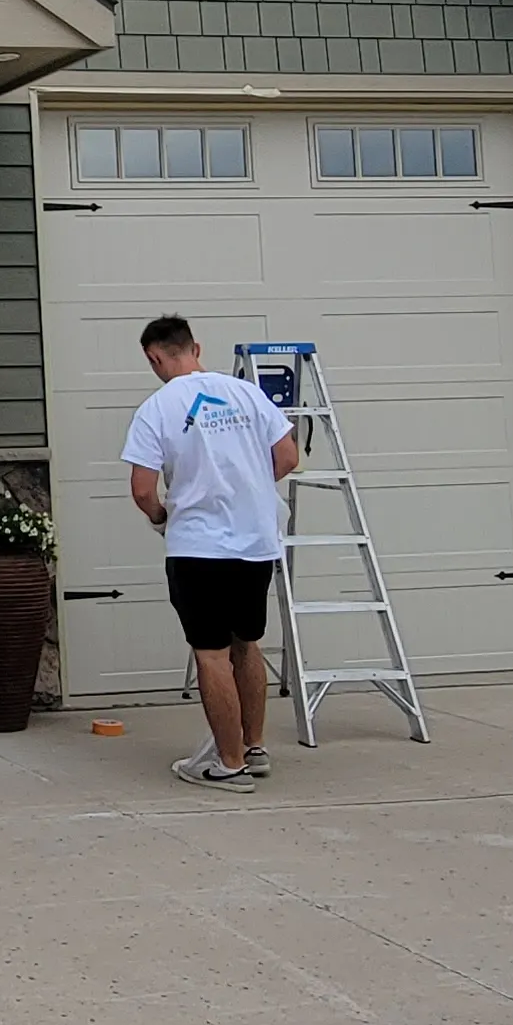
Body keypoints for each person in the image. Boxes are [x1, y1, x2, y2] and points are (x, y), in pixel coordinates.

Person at [121, 315, 300, 787]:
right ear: (196, 347)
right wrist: (249, 489)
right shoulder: (247, 392)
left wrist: (161, 516)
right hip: (257, 540)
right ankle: (253, 747)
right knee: (247, 642)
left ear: (154, 357)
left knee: (211, 653)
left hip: (198, 545)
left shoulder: (157, 408)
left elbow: (142, 489)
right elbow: (287, 457)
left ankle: (228, 765)